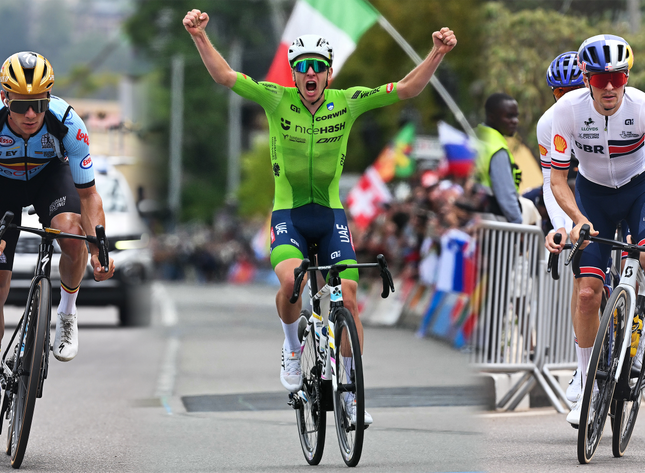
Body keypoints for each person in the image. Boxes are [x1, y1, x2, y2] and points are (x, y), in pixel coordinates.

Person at [182, 8, 457, 427]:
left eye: (318, 67)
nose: (310, 74)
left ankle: (349, 391)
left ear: (329, 73)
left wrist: (436, 53)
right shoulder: (276, 99)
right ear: (294, 74)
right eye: (303, 67)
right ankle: (293, 347)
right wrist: (200, 36)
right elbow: (225, 76)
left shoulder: (346, 102)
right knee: (293, 282)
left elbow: (405, 89)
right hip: (288, 213)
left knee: (348, 296)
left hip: (330, 215)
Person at [0, 52, 115, 434]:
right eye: (23, 105)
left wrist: (99, 247)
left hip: (49, 178)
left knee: (71, 232)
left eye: (40, 104)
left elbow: (90, 196)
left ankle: (66, 311)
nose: (32, 114)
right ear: (5, 99)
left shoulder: (67, 122)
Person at [550, 35, 645, 425]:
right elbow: (557, 181)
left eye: (618, 77)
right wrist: (577, 219)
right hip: (593, 197)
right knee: (588, 293)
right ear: (585, 76)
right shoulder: (567, 111)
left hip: (642, 191)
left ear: (627, 76)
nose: (609, 87)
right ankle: (587, 385)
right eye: (599, 79)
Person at [537, 52, 587, 413]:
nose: (569, 99)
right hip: (577, 190)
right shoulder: (548, 124)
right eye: (561, 93)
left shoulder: (608, 109)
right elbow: (550, 182)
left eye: (576, 89)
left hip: (617, 184)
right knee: (582, 279)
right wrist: (563, 227)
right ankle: (583, 369)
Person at [474, 93, 522, 223]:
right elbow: (506, 195)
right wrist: (518, 222)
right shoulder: (496, 148)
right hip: (495, 224)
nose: (515, 121)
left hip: (476, 222)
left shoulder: (475, 138)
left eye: (516, 116)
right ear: (492, 117)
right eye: (509, 116)